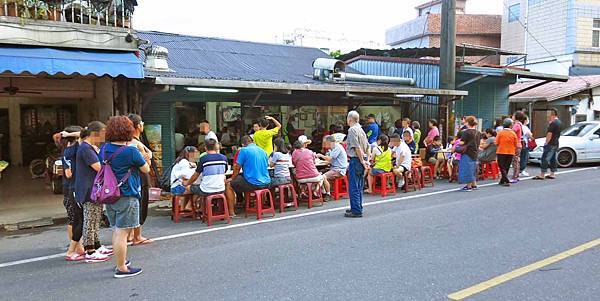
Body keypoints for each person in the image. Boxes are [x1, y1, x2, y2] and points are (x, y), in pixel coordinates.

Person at [100, 116, 150, 278]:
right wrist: (145, 156)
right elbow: (145, 169)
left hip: (110, 194)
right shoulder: (131, 151)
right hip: (127, 194)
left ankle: (121, 261)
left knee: (117, 230)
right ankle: (121, 268)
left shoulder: (105, 148)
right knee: (123, 232)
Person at [74, 121, 112, 263]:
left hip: (94, 189)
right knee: (90, 220)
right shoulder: (85, 149)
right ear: (95, 133)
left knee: (96, 218)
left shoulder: (90, 147)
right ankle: (90, 251)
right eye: (102, 134)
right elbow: (99, 168)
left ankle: (96, 246)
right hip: (88, 189)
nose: (103, 138)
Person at [184, 139, 233, 215]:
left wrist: (187, 183)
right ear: (216, 147)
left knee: (189, 187)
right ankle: (202, 209)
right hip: (221, 188)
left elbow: (196, 175)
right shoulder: (224, 158)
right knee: (200, 186)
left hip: (206, 190)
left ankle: (189, 207)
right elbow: (225, 170)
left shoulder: (203, 159)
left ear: (205, 148)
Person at [127, 114, 153, 246]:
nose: (143, 125)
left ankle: (130, 234)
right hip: (140, 177)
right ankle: (137, 236)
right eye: (141, 123)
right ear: (137, 126)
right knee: (140, 205)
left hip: (129, 178)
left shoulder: (125, 141)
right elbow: (146, 164)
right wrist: (148, 157)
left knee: (132, 206)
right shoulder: (137, 144)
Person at [61, 126, 85, 261]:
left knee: (74, 219)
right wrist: (70, 134)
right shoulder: (76, 148)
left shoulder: (66, 151)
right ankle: (73, 249)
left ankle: (78, 247)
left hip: (69, 187)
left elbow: (67, 173)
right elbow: (86, 132)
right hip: (75, 188)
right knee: (77, 220)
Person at [345, 111, 370, 218]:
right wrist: (366, 160)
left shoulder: (352, 130)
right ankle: (357, 206)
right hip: (362, 159)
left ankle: (356, 210)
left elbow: (356, 147)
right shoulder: (361, 130)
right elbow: (368, 147)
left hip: (356, 160)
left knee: (354, 186)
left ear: (350, 119)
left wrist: (361, 160)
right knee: (359, 185)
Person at [534, 108, 562, 180]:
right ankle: (552, 173)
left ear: (552, 115)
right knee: (552, 158)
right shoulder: (559, 122)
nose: (547, 116)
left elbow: (549, 134)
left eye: (548, 115)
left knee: (545, 158)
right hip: (556, 142)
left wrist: (546, 143)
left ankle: (542, 174)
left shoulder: (553, 123)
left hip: (551, 143)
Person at [456, 116, 481, 191]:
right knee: (473, 168)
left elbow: (462, 142)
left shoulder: (466, 132)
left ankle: (468, 186)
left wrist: (457, 142)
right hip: (475, 152)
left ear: (467, 122)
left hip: (467, 152)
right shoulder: (478, 132)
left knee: (467, 168)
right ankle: (474, 185)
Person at [495, 118, 518, 186]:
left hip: (501, 151)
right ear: (510, 125)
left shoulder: (500, 133)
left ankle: (506, 180)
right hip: (510, 152)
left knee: (501, 166)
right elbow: (515, 144)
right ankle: (503, 180)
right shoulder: (513, 133)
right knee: (506, 166)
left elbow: (496, 142)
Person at [510, 111, 525, 183]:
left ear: (516, 117)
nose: (512, 116)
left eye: (513, 115)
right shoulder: (520, 124)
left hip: (515, 145)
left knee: (515, 161)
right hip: (519, 145)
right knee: (516, 161)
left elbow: (511, 133)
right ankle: (516, 176)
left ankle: (515, 177)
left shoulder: (516, 125)